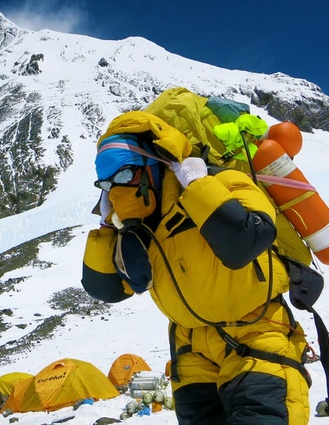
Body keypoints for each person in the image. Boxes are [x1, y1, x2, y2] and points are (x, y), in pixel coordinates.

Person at [86, 110, 312, 424]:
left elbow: (247, 239)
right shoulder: (137, 231)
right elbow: (104, 288)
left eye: (124, 175)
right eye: (107, 182)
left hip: (257, 336)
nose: (117, 188)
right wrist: (106, 226)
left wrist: (197, 185)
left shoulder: (225, 180)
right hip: (190, 351)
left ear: (153, 165)